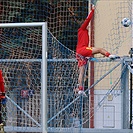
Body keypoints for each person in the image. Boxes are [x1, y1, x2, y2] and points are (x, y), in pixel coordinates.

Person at [75, 5, 119, 96]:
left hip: (79, 53)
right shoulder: (82, 29)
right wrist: (92, 11)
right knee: (99, 49)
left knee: (82, 72)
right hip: (82, 50)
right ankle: (109, 55)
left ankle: (80, 89)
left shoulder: (81, 31)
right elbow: (88, 20)